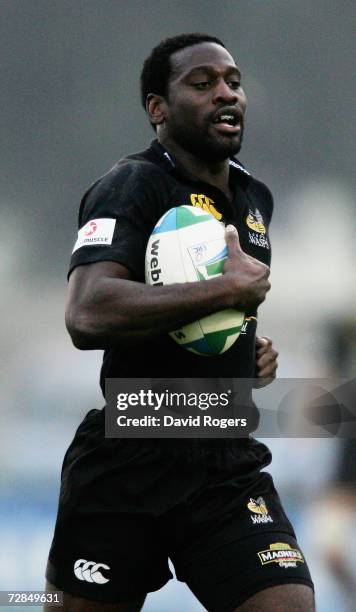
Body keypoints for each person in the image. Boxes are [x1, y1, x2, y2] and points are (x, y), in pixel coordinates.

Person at [45, 33, 315, 611]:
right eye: (202, 84)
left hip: (224, 460)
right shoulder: (132, 185)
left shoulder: (253, 197)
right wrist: (226, 289)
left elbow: (204, 314)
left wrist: (245, 347)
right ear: (157, 109)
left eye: (233, 83)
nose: (226, 95)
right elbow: (87, 313)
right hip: (129, 457)